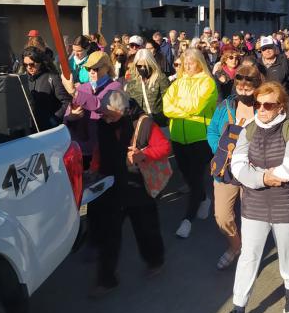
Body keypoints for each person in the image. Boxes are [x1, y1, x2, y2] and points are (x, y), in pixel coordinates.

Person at [220, 82, 289, 313]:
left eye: (268, 105)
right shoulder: (248, 129)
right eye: (257, 104)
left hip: (287, 202)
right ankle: (238, 305)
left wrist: (256, 172)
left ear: (281, 106)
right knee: (249, 255)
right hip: (255, 203)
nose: (261, 109)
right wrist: (263, 176)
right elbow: (238, 167)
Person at [87, 90, 168, 297]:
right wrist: (94, 168)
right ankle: (106, 279)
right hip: (112, 185)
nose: (104, 117)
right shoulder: (103, 123)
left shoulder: (144, 124)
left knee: (146, 229)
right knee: (109, 234)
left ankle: (155, 260)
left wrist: (144, 154)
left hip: (138, 186)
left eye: (108, 114)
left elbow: (164, 147)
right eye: (102, 113)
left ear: (121, 111)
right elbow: (99, 150)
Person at [206, 64, 264, 270]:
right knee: (222, 216)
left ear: (258, 86)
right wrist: (221, 149)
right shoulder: (225, 106)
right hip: (225, 169)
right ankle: (235, 245)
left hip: (252, 170)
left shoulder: (265, 107)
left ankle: (250, 253)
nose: (244, 90)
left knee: (251, 216)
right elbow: (212, 131)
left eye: (249, 87)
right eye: (240, 86)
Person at [163, 48, 218, 239]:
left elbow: (197, 106)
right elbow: (166, 107)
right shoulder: (178, 83)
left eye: (191, 62)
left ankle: (187, 220)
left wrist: (179, 108)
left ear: (200, 63)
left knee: (195, 178)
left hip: (201, 138)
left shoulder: (208, 83)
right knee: (187, 175)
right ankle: (203, 198)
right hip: (178, 137)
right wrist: (185, 111)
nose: (187, 66)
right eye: (184, 63)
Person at [65, 51, 122, 168]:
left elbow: (100, 105)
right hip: (80, 149)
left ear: (107, 67)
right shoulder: (83, 87)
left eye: (96, 68)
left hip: (103, 148)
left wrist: (74, 92)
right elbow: (66, 118)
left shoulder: (115, 87)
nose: (91, 71)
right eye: (88, 68)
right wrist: (71, 117)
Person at [22, 46, 72, 131]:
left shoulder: (52, 78)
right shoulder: (24, 79)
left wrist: (54, 119)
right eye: (25, 65)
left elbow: (66, 101)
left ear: (40, 62)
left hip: (49, 130)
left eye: (32, 64)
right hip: (30, 129)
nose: (29, 67)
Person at [125, 49, 171, 128]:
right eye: (139, 66)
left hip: (157, 124)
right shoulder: (133, 78)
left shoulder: (160, 78)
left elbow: (168, 101)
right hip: (138, 124)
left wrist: (164, 119)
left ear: (151, 64)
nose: (142, 68)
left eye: (146, 66)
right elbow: (129, 100)